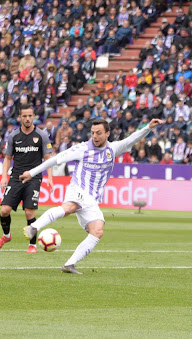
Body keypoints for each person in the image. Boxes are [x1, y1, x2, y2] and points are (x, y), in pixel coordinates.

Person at [20, 117, 164, 274]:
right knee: (69, 207)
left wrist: (148, 127)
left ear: (107, 134)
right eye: (93, 133)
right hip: (78, 189)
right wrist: (32, 173)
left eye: (99, 133)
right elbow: (55, 160)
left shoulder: (113, 149)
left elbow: (131, 139)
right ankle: (34, 227)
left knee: (97, 230)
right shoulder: (82, 148)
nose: (95, 136)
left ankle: (69, 264)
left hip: (92, 199)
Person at [0, 104, 54, 253]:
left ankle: (32, 245)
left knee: (29, 212)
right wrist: (4, 177)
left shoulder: (41, 135)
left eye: (30, 116)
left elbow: (48, 158)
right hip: (16, 177)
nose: (27, 119)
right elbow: (7, 158)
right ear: (20, 117)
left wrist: (50, 178)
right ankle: (6, 236)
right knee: (4, 210)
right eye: (24, 116)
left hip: (33, 178)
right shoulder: (14, 136)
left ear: (33, 117)